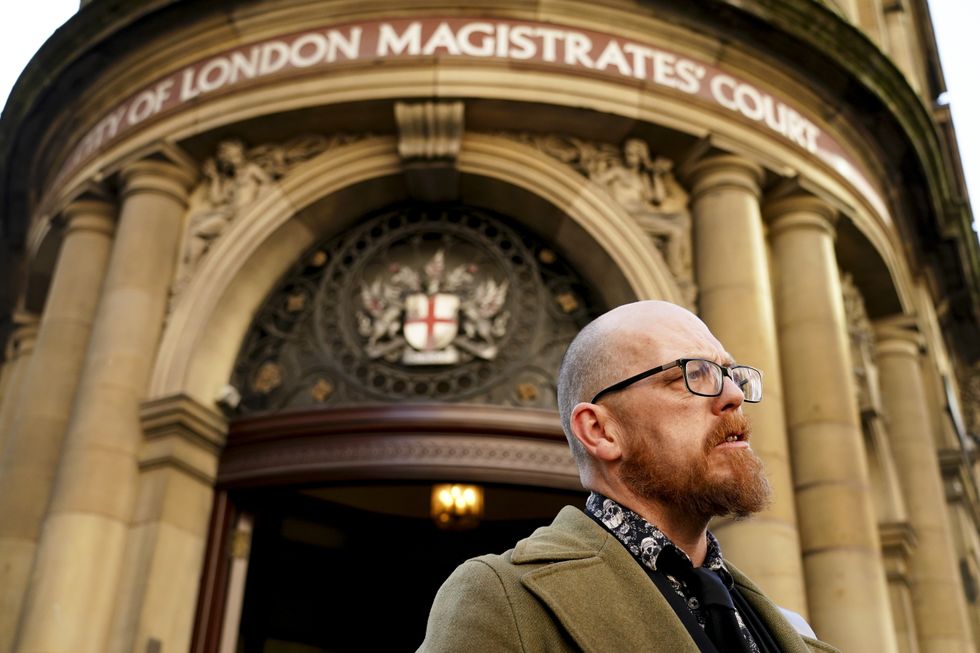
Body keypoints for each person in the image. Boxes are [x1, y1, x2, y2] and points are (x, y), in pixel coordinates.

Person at [417, 300, 839, 653]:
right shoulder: (503, 599)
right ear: (600, 431)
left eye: (731, 375)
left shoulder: (791, 631)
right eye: (693, 375)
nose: (733, 396)